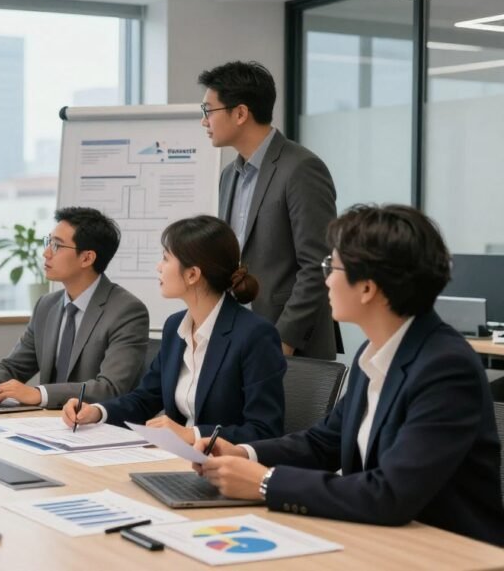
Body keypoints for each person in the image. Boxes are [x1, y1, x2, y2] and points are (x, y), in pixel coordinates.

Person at [194, 205, 504, 547]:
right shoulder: (373, 352)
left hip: (448, 552)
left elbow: (391, 493)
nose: (326, 279)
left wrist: (266, 482)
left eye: (332, 266)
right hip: (380, 539)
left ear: (367, 288)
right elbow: (323, 442)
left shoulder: (445, 368)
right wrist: (244, 454)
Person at [63, 215, 286, 444]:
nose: (159, 267)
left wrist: (192, 434)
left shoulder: (255, 334)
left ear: (192, 275)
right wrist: (97, 412)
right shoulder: (175, 327)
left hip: (220, 460)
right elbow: (146, 398)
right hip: (174, 455)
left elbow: (264, 430)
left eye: (165, 258)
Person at [199, 60, 338, 360]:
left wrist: (284, 339)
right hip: (237, 337)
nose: (204, 121)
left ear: (240, 113)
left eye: (208, 110)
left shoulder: (301, 168)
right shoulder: (229, 175)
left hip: (288, 344)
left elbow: (319, 264)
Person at [0, 207, 149, 408]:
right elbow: (15, 366)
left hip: (93, 422)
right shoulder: (46, 305)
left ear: (87, 258)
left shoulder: (127, 311)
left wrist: (39, 394)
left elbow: (110, 388)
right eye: (49, 242)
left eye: (57, 245)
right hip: (44, 420)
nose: (46, 253)